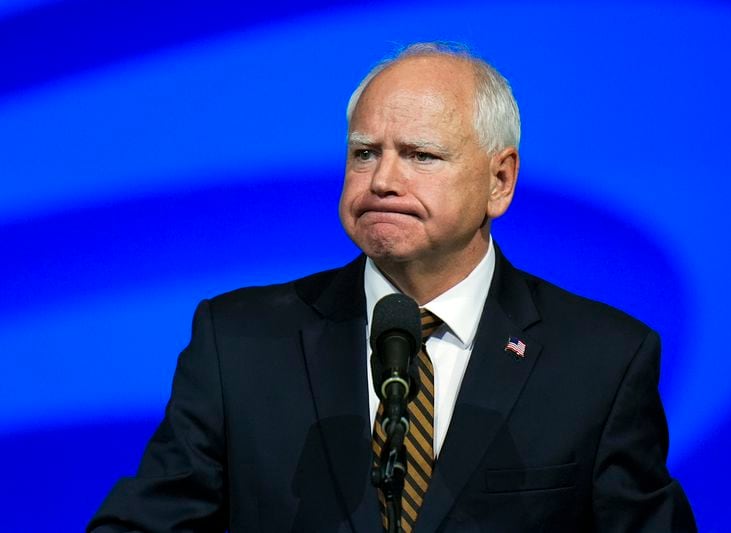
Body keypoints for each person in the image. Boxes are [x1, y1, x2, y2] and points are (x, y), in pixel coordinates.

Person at [88, 42, 696, 532]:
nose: (382, 179)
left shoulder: (603, 358)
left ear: (499, 182)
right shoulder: (238, 340)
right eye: (363, 153)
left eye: (420, 155)